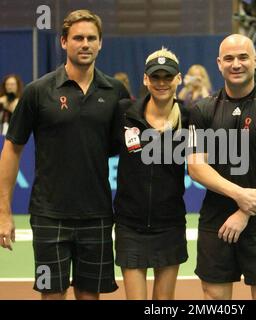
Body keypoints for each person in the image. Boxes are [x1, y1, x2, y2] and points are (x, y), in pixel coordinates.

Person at [0, 10, 129, 300]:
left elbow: (125, 148)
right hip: (48, 216)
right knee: (52, 294)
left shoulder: (115, 92)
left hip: (97, 215)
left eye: (91, 38)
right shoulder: (37, 92)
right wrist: (3, 212)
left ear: (100, 44)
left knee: (89, 296)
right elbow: (11, 150)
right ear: (63, 42)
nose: (85, 44)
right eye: (78, 38)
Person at [187, 34, 256, 300]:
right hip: (217, 221)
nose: (236, 64)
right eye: (229, 58)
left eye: (243, 57)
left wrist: (245, 212)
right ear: (219, 63)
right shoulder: (202, 110)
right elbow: (196, 167)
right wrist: (239, 195)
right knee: (214, 298)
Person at [113, 48, 188, 300]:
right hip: (129, 224)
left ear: (179, 78)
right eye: (155, 77)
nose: (162, 82)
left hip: (170, 224)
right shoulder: (124, 113)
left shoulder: (189, 118)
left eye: (168, 76)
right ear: (145, 79)